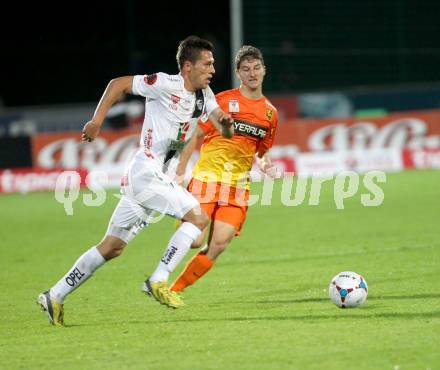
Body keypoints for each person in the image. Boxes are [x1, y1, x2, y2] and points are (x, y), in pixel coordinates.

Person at [37, 35, 234, 326]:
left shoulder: (205, 95)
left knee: (112, 246)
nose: (213, 69)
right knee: (199, 219)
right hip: (145, 171)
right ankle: (158, 279)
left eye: (213, 64)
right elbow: (118, 84)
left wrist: (227, 125)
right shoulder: (165, 84)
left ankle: (54, 295)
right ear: (188, 66)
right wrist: (96, 121)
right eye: (207, 63)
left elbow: (221, 123)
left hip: (153, 178)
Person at [169, 45, 279, 293]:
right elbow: (195, 134)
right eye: (246, 69)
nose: (252, 73)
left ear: (264, 70)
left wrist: (266, 165)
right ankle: (181, 215)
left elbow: (262, 151)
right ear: (238, 73)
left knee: (218, 244)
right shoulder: (223, 101)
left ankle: (172, 290)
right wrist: (180, 170)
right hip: (208, 179)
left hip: (237, 188)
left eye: (256, 68)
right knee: (196, 240)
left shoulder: (271, 114)